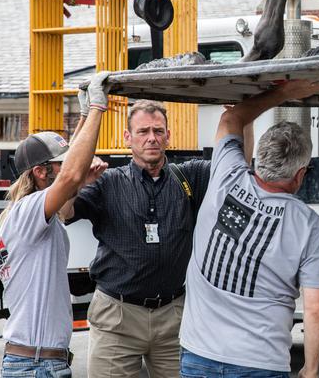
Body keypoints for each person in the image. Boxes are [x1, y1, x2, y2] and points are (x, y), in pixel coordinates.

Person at [67, 98, 238, 377]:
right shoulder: (107, 182)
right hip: (117, 317)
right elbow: (63, 211)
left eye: (158, 131)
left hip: (173, 317)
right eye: (143, 131)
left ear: (168, 137)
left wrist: (237, 114)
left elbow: (234, 167)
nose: (151, 138)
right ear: (127, 138)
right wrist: (76, 181)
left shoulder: (188, 177)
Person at [180, 80, 319, 378]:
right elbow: (315, 308)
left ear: (257, 160)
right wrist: (310, 369)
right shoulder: (307, 223)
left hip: (199, 355)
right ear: (300, 174)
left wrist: (284, 92)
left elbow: (231, 119)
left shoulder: (226, 177)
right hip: (261, 362)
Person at [0, 72, 109, 378]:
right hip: (36, 366)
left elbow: (70, 180)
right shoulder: (29, 211)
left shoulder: (33, 214)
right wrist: (99, 108)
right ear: (40, 173)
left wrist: (84, 113)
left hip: (39, 362)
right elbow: (72, 175)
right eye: (60, 162)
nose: (68, 165)